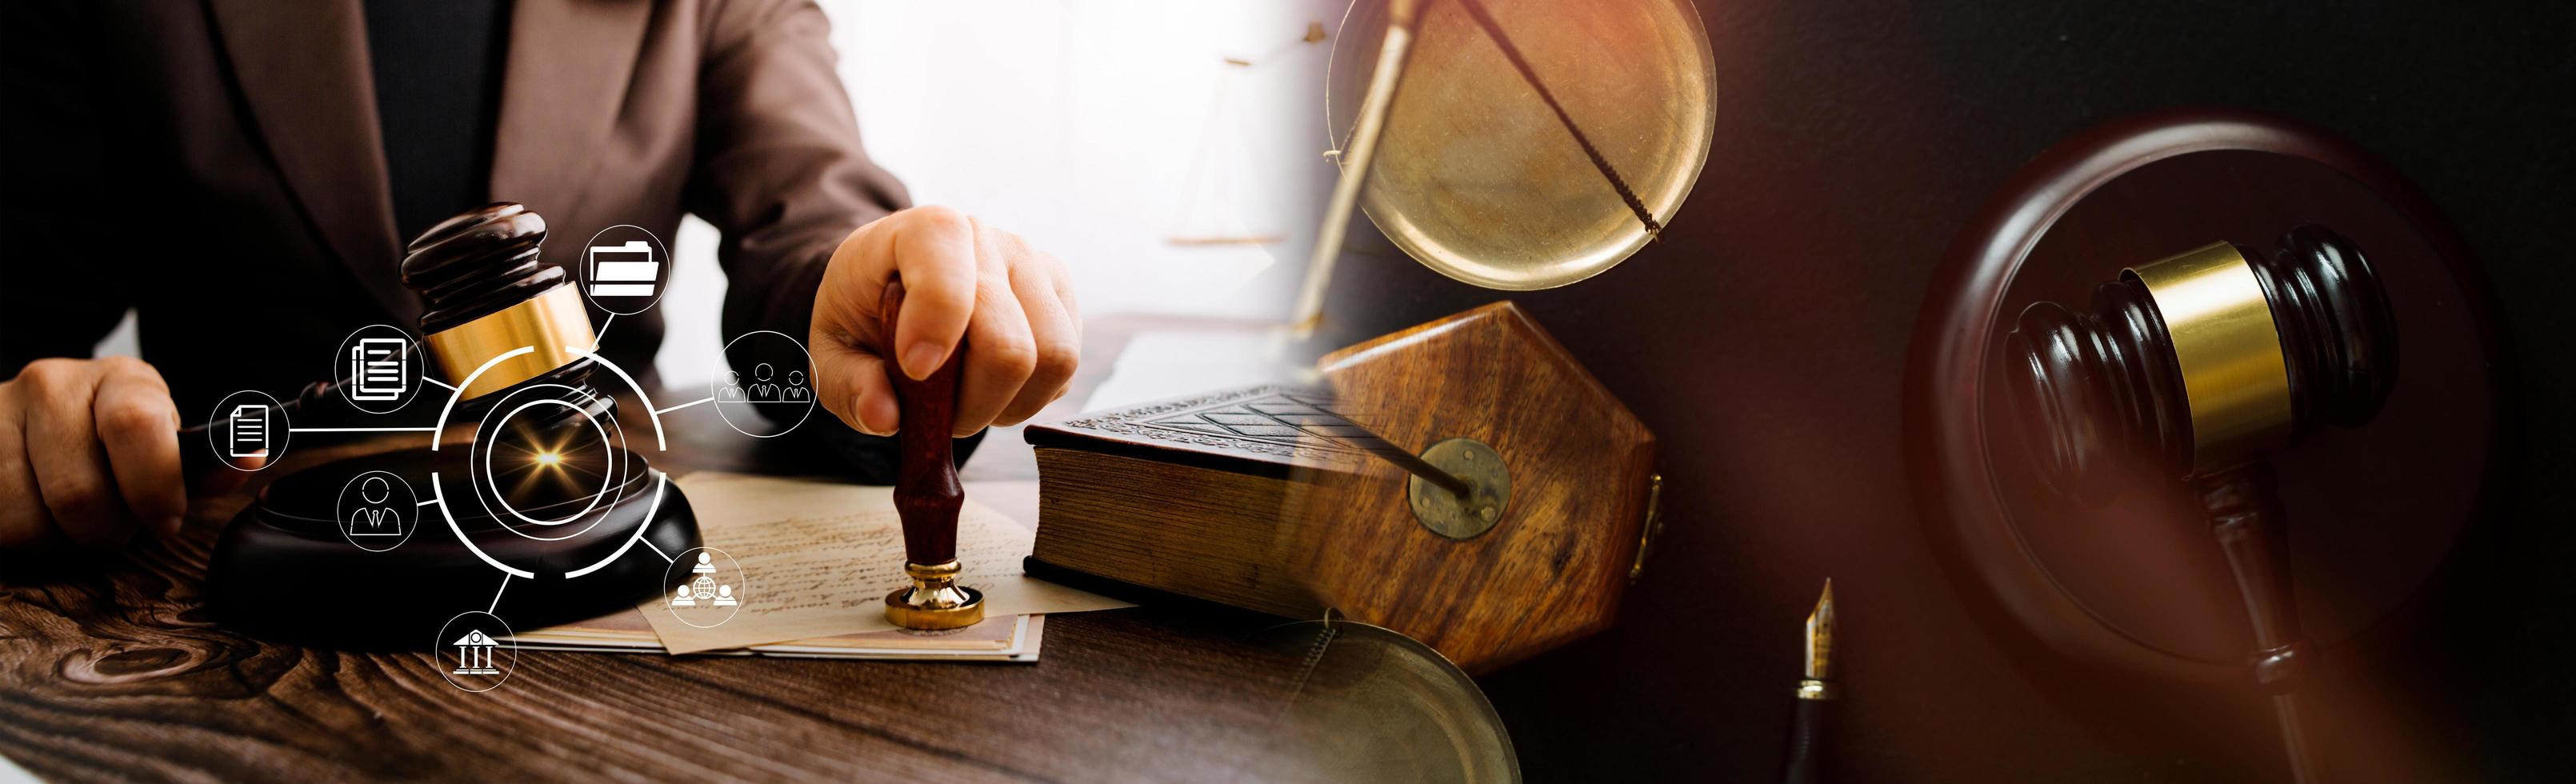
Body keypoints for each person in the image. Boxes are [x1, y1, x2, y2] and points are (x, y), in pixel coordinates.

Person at [0, 1, 1079, 553]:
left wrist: (883, 301)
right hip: (224, 571)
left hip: (601, 556)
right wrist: (30, 426)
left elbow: (815, 232)